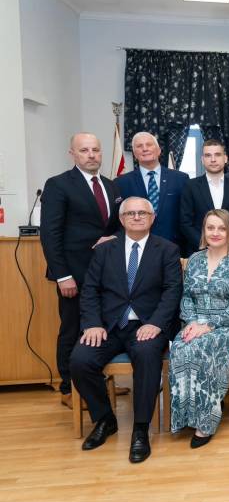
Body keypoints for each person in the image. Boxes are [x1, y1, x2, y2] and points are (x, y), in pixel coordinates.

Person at [70, 197, 181, 463]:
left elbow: (172, 291)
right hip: (107, 326)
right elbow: (90, 291)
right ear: (121, 219)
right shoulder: (104, 250)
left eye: (143, 212)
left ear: (152, 218)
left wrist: (156, 323)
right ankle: (105, 419)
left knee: (147, 356)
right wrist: (92, 324)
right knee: (80, 360)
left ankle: (141, 428)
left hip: (147, 326)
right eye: (130, 213)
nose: (137, 217)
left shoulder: (167, 249)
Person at [41, 132, 121, 409]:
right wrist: (62, 275)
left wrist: (114, 238)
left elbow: (115, 228)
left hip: (106, 275)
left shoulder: (111, 186)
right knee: (73, 329)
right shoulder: (58, 185)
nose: (91, 155)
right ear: (72, 154)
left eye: (95, 150)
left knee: (102, 329)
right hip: (73, 275)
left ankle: (98, 383)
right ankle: (68, 388)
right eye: (84, 150)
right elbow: (50, 234)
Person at [169, 209, 229, 448]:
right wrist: (192, 322)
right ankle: (186, 415)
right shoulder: (194, 259)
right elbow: (186, 297)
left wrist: (209, 326)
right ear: (204, 231)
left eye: (222, 228)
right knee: (180, 348)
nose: (215, 233)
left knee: (203, 348)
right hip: (195, 323)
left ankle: (205, 423)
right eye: (210, 228)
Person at [115, 132, 189, 246]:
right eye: (139, 146)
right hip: (137, 245)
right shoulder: (121, 182)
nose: (145, 149)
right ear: (134, 153)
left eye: (149, 144)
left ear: (159, 150)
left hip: (174, 245)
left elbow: (187, 215)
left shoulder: (180, 178)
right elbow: (118, 219)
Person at [180, 139, 229, 254]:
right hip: (200, 251)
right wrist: (205, 245)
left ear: (225, 158)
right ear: (202, 160)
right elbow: (185, 222)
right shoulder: (190, 186)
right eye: (208, 155)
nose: (213, 159)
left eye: (217, 155)